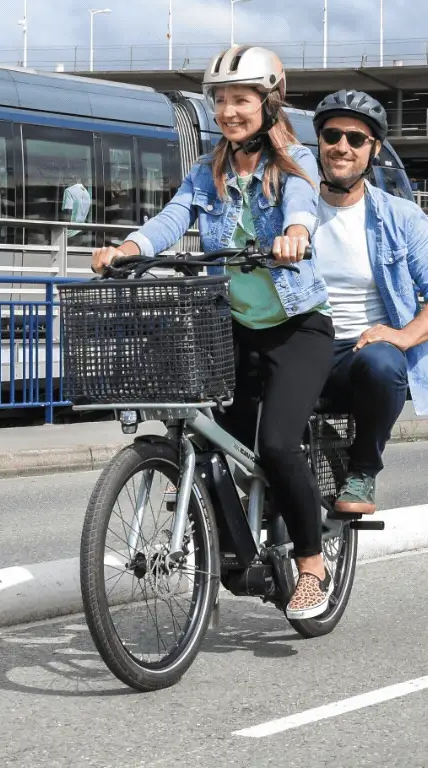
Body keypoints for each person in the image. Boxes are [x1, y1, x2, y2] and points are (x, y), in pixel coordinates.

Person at [91, 46, 336, 620]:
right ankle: (225, 543)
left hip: (297, 329)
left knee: (277, 445)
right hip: (233, 326)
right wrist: (130, 247)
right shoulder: (209, 170)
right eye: (221, 100)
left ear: (269, 103)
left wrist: (296, 233)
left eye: (241, 100)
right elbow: (174, 216)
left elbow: (303, 204)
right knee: (211, 439)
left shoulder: (293, 162)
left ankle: (311, 566)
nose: (228, 111)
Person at [312, 90, 428, 515]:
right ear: (319, 142)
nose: (342, 147)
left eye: (356, 139)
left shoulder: (399, 216)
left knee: (383, 363)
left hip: (359, 353)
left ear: (374, 150)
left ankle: (362, 470)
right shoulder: (292, 209)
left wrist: (402, 336)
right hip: (302, 346)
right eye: (332, 135)